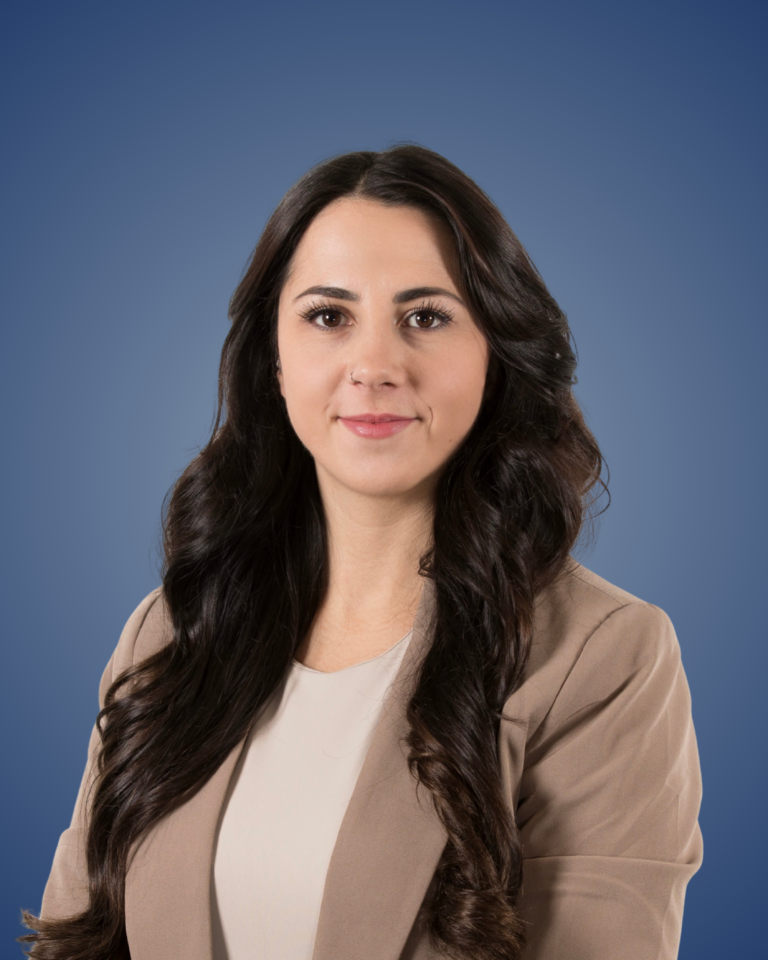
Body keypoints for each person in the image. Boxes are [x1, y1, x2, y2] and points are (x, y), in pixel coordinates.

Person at [21, 144, 703, 960]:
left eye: (426, 317)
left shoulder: (604, 657)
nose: (374, 366)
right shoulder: (171, 631)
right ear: (273, 360)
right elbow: (76, 935)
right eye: (328, 316)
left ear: (495, 352)